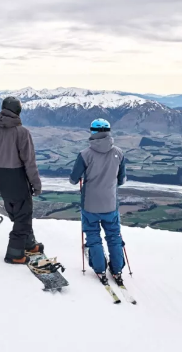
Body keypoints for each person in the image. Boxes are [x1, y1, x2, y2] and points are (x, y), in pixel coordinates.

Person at [69, 118, 127, 285]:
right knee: (114, 236)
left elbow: (74, 179)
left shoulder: (85, 155)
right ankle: (117, 269)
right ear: (108, 131)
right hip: (110, 204)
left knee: (93, 236)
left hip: (90, 204)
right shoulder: (119, 153)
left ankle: (99, 268)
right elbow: (121, 180)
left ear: (92, 132)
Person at [0, 96, 43, 264]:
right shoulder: (22, 132)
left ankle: (29, 243)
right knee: (23, 216)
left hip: (3, 179)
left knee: (18, 213)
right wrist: (36, 184)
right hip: (18, 178)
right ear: (18, 111)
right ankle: (14, 253)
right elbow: (29, 162)